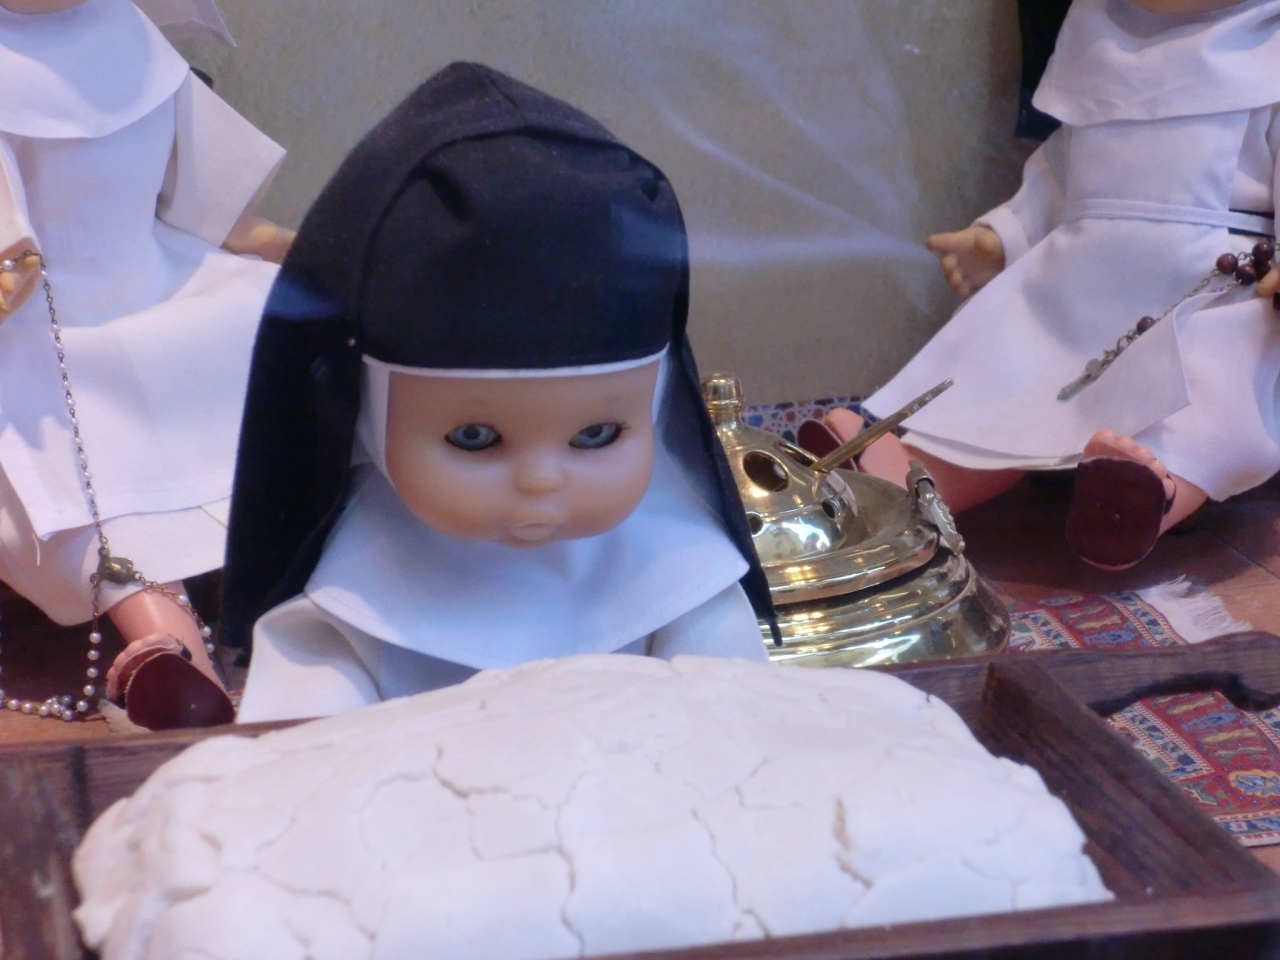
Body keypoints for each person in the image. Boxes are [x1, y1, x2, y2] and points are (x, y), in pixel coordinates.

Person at [222, 62, 777, 724]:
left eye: (596, 435)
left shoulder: (678, 580)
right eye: (475, 437)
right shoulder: (346, 612)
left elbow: (740, 733)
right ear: (365, 416)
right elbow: (306, 760)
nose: (541, 479)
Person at [830, 0, 1280, 570]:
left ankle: (1146, 496)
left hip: (1212, 282)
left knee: (1210, 381)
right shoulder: (1098, 47)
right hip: (1081, 276)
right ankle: (913, 478)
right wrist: (1002, 237)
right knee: (1012, 361)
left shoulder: (1268, 56)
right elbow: (1062, 174)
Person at [0, 0, 293, 725]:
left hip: (160, 274)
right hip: (40, 312)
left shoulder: (130, 36)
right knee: (69, 451)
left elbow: (199, 189)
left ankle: (332, 603)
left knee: (280, 331)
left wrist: (261, 239)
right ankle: (167, 644)